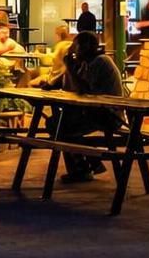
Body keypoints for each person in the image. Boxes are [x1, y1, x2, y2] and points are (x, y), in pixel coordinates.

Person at [54, 31, 126, 184]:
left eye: (76, 46)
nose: (73, 49)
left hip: (108, 115)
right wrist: (69, 69)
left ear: (85, 46)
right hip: (94, 112)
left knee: (61, 126)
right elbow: (67, 86)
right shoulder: (88, 63)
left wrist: (70, 68)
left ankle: (83, 168)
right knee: (58, 123)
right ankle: (90, 163)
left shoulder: (101, 61)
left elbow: (84, 90)